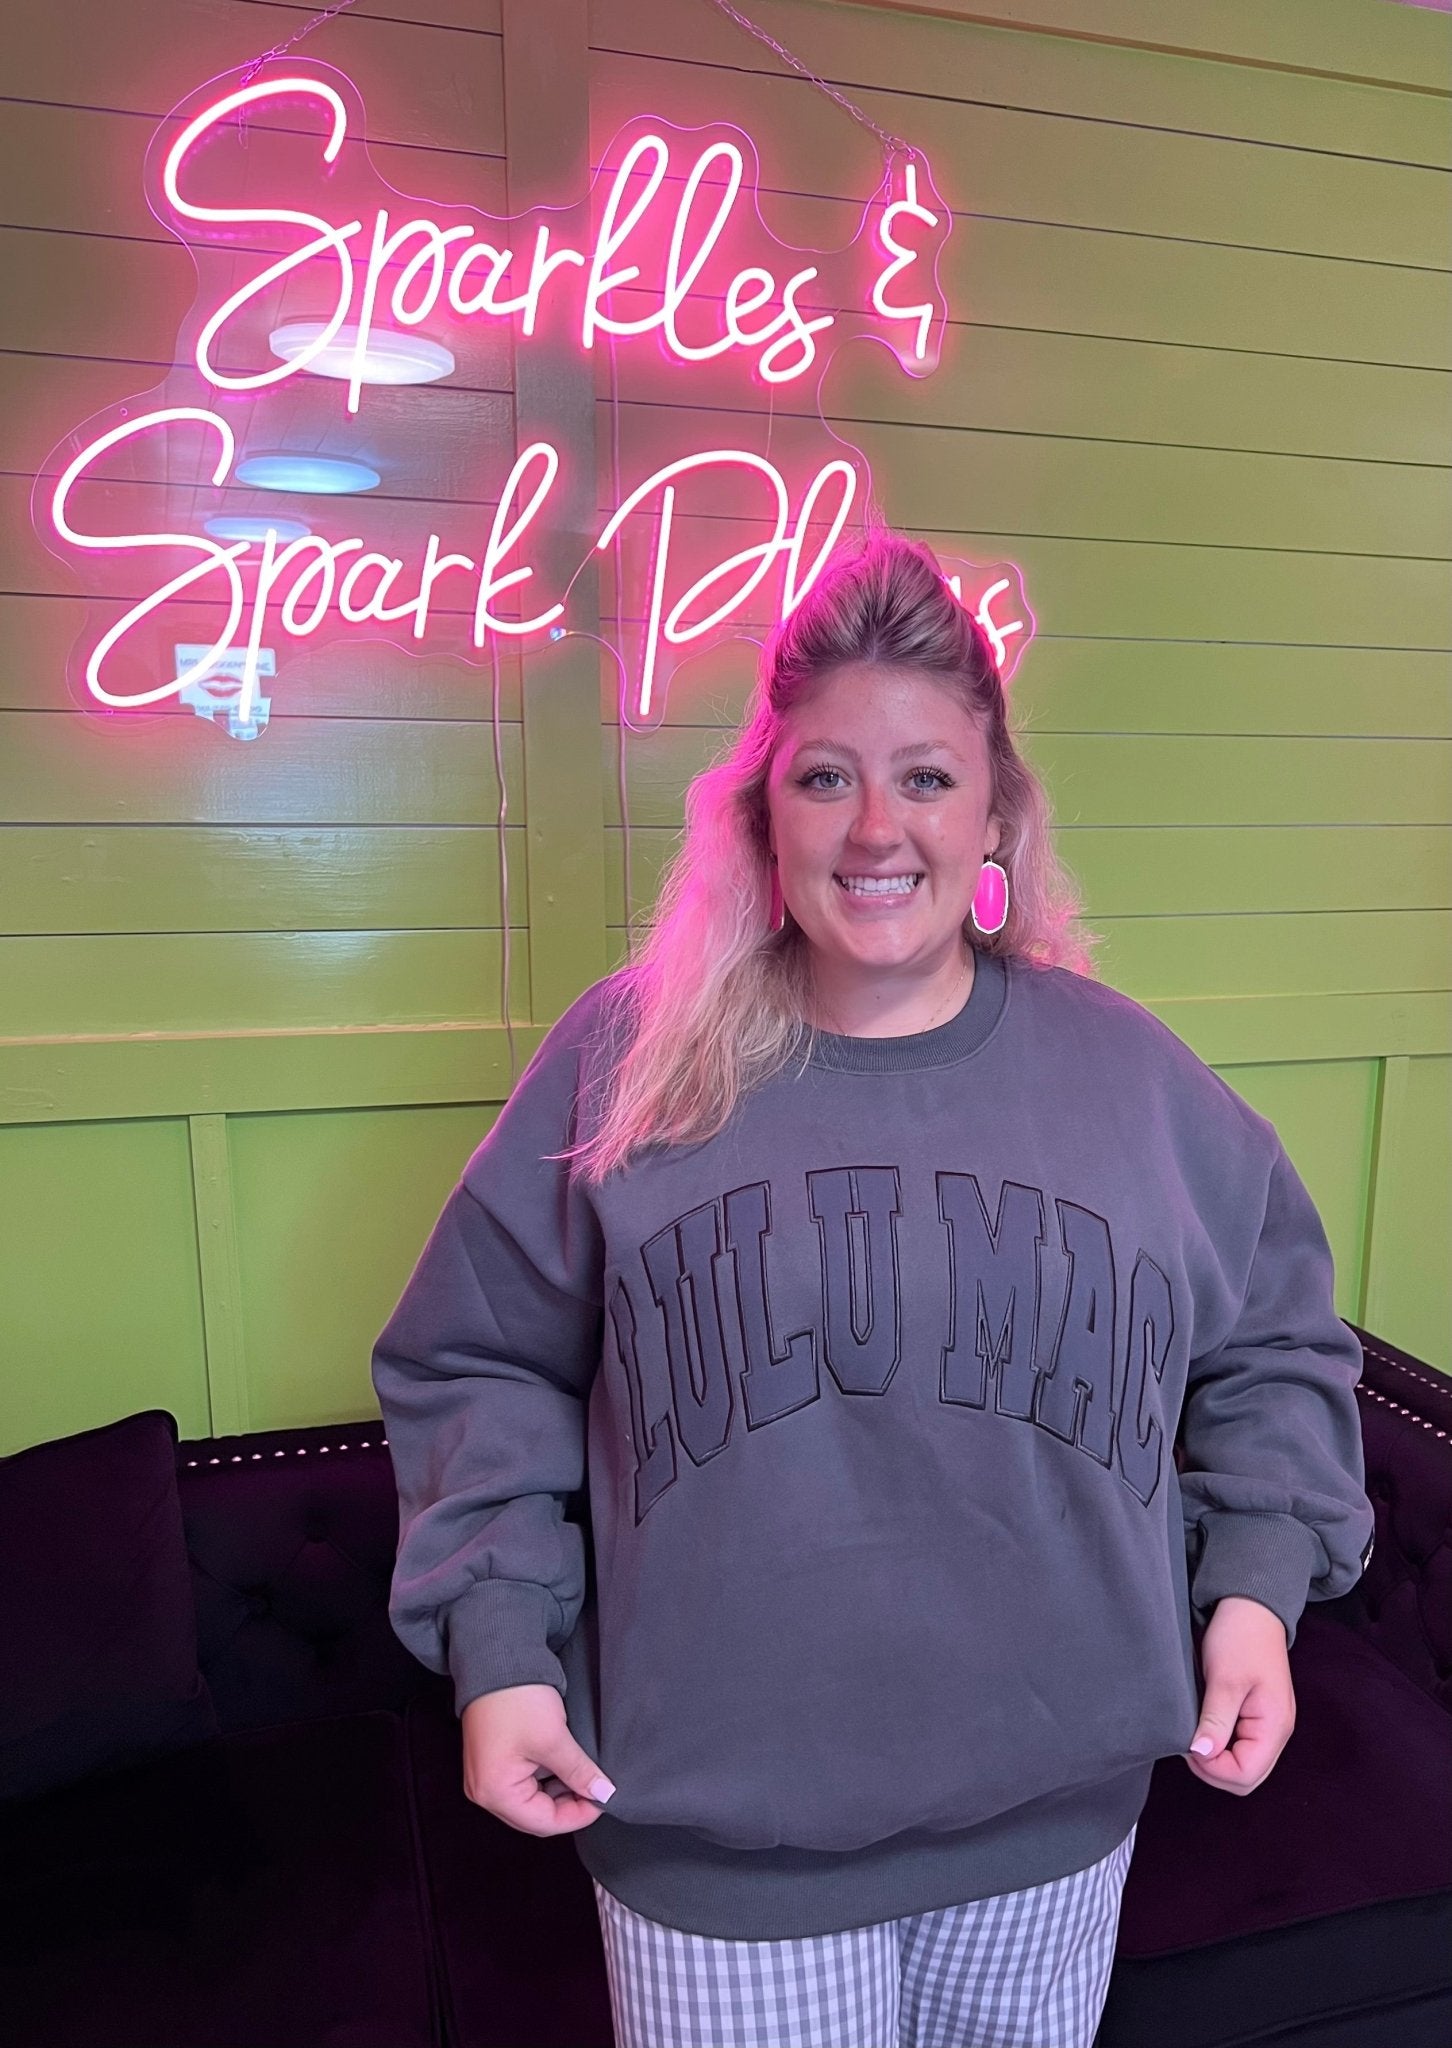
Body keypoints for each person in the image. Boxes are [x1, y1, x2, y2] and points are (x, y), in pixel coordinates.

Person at [371, 530, 1374, 2048]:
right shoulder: (631, 1061)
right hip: (719, 1858)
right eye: (826, 776)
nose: (875, 829)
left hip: (1057, 1829)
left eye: (926, 777)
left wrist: (1253, 1589)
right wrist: (499, 1647)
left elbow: (1278, 1340)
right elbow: (480, 1360)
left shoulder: (1130, 1077)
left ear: (996, 815)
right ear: (761, 813)